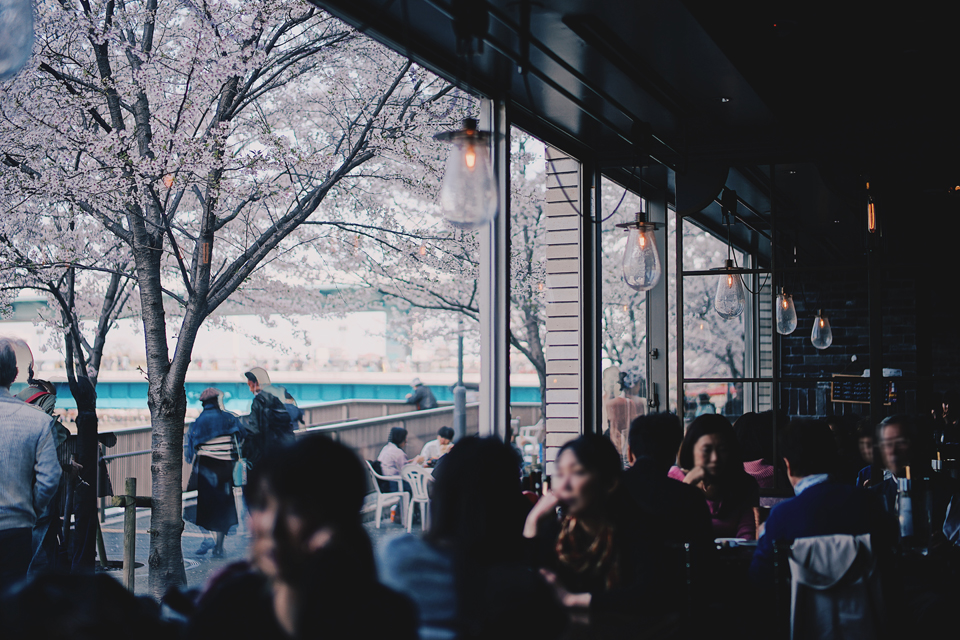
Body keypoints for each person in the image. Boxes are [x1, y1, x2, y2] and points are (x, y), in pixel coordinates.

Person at [187, 435, 416, 640]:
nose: (271, 526)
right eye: (262, 504)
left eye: (296, 509)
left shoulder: (383, 618)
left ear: (336, 523)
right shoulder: (229, 602)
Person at [380, 436, 565, 640]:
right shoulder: (523, 584)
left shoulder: (399, 557)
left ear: (443, 493)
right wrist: (533, 526)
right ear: (511, 498)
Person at [523, 434, 663, 620]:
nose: (564, 485)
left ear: (610, 483)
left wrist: (573, 600)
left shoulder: (639, 530)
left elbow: (649, 595)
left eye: (578, 472)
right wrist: (532, 523)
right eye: (560, 474)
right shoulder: (557, 533)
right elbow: (524, 591)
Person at [750, 419, 893, 586]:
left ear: (787, 464)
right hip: (867, 609)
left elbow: (758, 578)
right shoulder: (869, 502)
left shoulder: (782, 516)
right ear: (833, 455)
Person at [0, 337, 61, 590]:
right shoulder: (38, 422)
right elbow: (50, 478)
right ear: (15, 374)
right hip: (17, 529)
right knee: (12, 600)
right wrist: (31, 508)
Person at [11, 339, 77, 573]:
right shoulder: (43, 409)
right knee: (40, 528)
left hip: (14, 486)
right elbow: (55, 434)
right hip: (35, 487)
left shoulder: (15, 403)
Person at [669, 414, 760, 540]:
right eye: (706, 450)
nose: (715, 458)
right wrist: (687, 485)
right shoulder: (673, 479)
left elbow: (746, 537)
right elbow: (669, 532)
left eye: (722, 449)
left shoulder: (743, 484)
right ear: (691, 450)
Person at [185, 388, 243, 558]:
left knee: (200, 506)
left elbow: (190, 451)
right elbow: (243, 436)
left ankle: (207, 538)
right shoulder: (230, 418)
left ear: (203, 404)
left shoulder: (199, 421)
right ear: (217, 401)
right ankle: (219, 546)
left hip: (205, 468)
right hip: (226, 468)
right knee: (224, 506)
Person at [242, 367, 294, 465]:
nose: (250, 389)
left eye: (250, 385)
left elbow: (254, 429)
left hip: (267, 449)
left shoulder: (259, 401)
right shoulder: (280, 395)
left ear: (256, 383)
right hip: (285, 445)